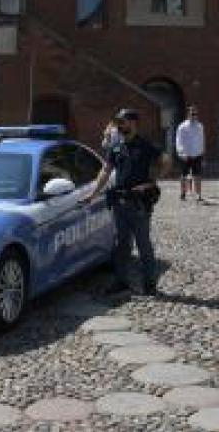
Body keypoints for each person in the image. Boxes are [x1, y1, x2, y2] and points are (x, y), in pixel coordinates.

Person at [87, 108, 168, 296]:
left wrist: (152, 181)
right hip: (120, 202)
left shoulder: (145, 144)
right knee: (122, 245)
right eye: (118, 122)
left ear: (133, 123)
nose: (119, 125)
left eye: (122, 122)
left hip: (139, 203)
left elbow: (166, 161)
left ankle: (149, 284)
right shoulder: (115, 146)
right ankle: (121, 281)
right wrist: (93, 193)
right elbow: (105, 171)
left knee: (143, 244)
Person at [175, 105, 205, 202]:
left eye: (195, 114)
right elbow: (178, 140)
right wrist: (181, 152)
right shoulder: (182, 126)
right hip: (186, 154)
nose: (194, 116)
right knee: (184, 175)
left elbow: (202, 139)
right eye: (192, 114)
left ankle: (198, 194)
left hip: (197, 154)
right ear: (188, 114)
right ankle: (183, 193)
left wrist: (202, 151)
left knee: (197, 175)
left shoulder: (200, 126)